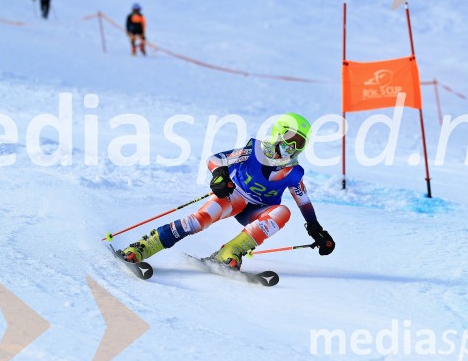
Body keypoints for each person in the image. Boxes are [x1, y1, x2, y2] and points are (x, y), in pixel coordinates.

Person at [120, 113, 335, 269]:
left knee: (283, 212)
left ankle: (230, 252)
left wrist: (316, 228)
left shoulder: (294, 172)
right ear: (279, 132)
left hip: (257, 211)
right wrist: (220, 176)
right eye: (291, 139)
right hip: (233, 197)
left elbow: (303, 200)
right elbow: (215, 159)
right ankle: (143, 246)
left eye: (299, 144)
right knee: (199, 221)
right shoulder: (254, 150)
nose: (293, 147)